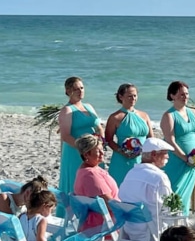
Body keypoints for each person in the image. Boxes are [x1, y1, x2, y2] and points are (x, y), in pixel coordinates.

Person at [57, 76, 102, 217]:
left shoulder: (89, 106)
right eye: (76, 89)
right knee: (76, 183)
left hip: (93, 150)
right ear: (68, 91)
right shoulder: (67, 110)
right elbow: (65, 136)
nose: (80, 91)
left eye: (81, 88)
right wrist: (84, 149)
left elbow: (98, 127)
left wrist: (100, 141)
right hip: (75, 152)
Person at [160, 81, 195, 216]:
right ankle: (169, 221)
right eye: (181, 94)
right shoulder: (169, 115)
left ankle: (183, 220)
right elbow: (170, 141)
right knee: (175, 189)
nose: (185, 97)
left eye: (186, 94)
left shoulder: (194, 112)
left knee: (187, 192)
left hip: (194, 161)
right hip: (177, 160)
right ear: (172, 95)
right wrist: (185, 158)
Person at [105, 83, 154, 186]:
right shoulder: (115, 117)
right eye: (129, 96)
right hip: (122, 159)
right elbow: (108, 139)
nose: (133, 98)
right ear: (121, 96)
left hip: (142, 159)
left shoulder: (144, 115)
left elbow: (151, 138)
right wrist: (121, 151)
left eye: (135, 95)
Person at [73, 134, 119, 231]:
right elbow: (109, 204)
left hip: (102, 221)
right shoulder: (91, 175)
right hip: (104, 224)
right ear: (86, 154)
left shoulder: (87, 169)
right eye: (98, 151)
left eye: (102, 149)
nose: (102, 153)